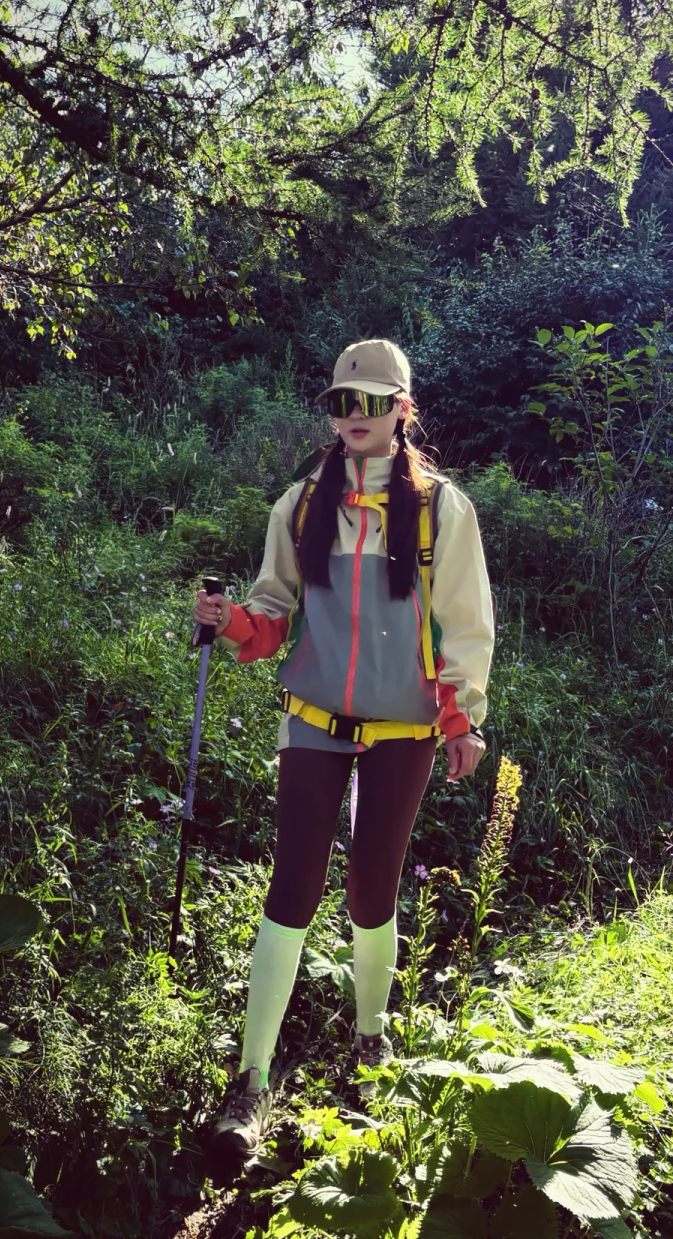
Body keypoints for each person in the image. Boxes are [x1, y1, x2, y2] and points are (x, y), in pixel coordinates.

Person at [193, 339, 494, 1170]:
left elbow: (465, 624)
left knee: (372, 886)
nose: (352, 416)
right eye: (339, 402)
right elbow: (271, 613)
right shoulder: (300, 505)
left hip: (404, 726)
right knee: (292, 884)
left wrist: (462, 719)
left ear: (402, 410)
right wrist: (232, 623)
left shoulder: (441, 509)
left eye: (369, 402)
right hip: (314, 715)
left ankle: (370, 1045)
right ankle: (251, 1082)